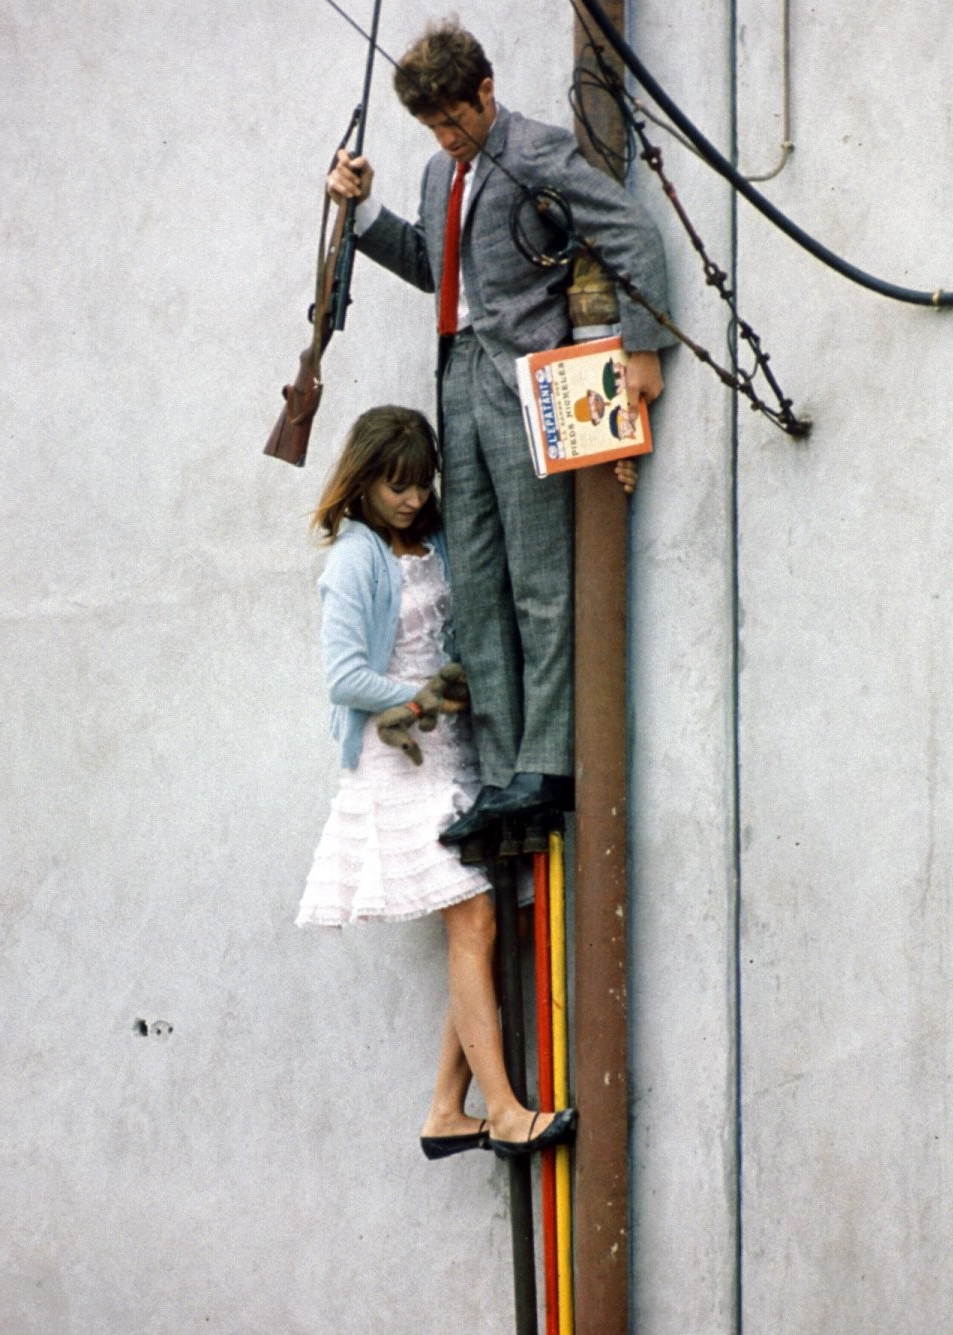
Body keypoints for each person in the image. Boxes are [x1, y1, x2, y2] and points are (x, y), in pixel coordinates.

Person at [325, 19, 674, 845]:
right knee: (476, 580)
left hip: (527, 379)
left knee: (539, 577)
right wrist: (363, 208)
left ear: (486, 91)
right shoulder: (437, 175)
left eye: (456, 119)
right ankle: (503, 769)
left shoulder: (537, 151)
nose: (447, 137)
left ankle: (546, 765)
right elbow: (433, 268)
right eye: (433, 127)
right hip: (460, 379)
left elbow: (627, 231)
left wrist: (644, 346)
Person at [295, 404, 581, 1160]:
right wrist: (419, 700)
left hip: (453, 753)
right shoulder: (354, 561)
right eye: (397, 486)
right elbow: (344, 677)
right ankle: (507, 1111)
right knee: (476, 923)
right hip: (400, 765)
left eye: (422, 484)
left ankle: (446, 1110)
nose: (414, 499)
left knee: (492, 925)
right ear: (362, 483)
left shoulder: (434, 543)